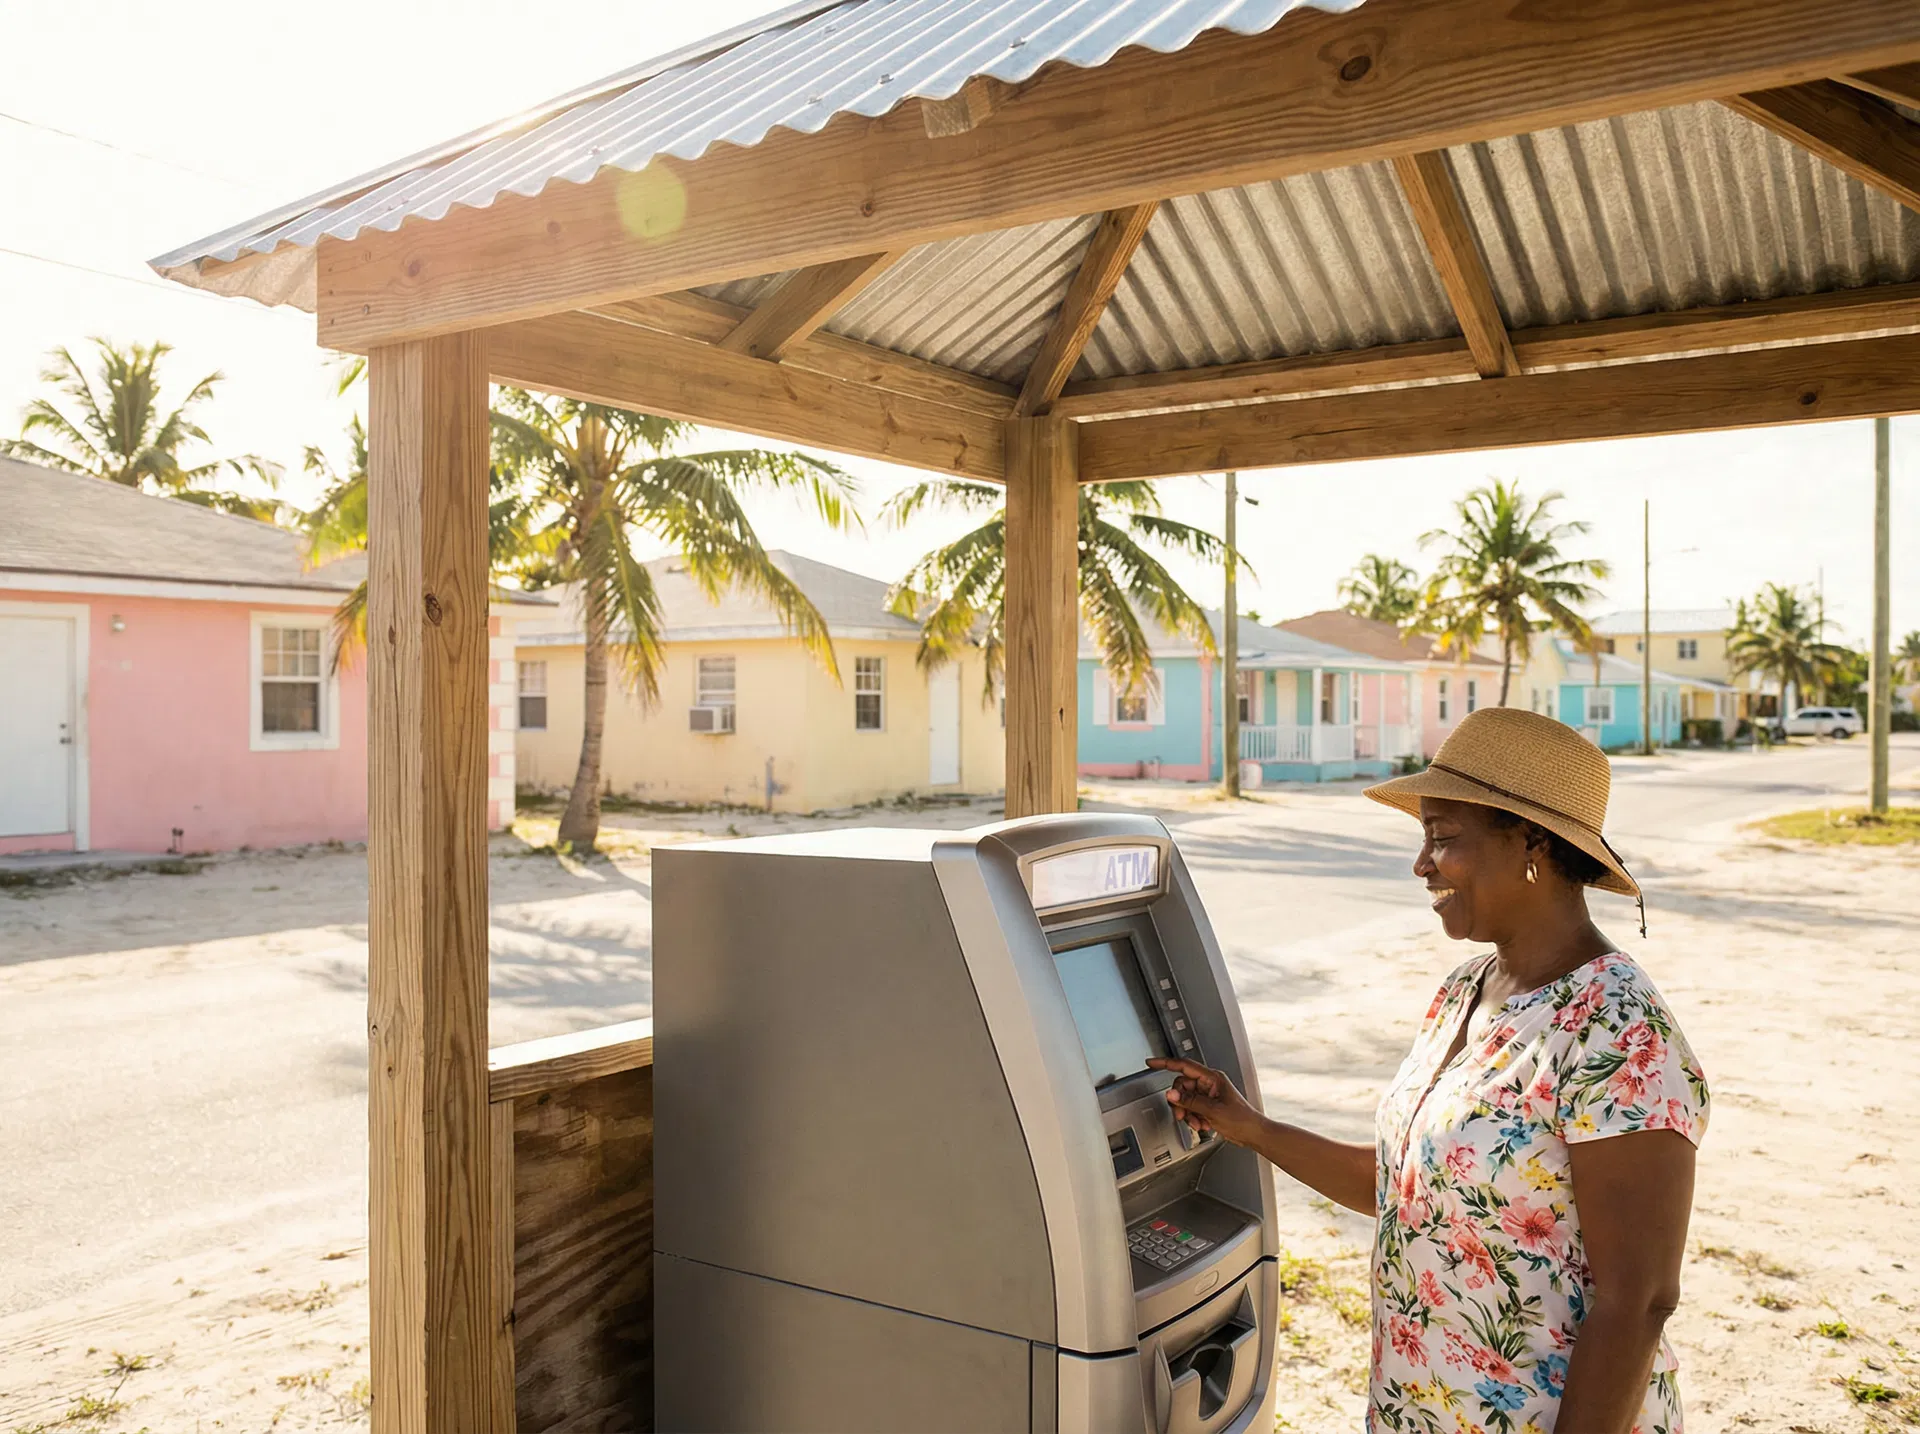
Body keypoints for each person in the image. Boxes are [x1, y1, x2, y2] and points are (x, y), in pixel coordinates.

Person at [1151, 707, 1708, 1433]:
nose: (1421, 864)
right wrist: (1248, 1127)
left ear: (1533, 843)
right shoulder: (1465, 989)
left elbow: (1638, 1300)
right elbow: (1413, 1188)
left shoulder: (1621, 1030)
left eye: (1443, 840)